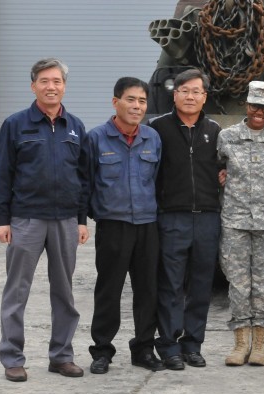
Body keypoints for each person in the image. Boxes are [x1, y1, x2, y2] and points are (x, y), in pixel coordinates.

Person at [0, 58, 88, 382]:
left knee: (64, 292)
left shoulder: (75, 126)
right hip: (26, 220)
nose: (51, 86)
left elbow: (83, 177)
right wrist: (2, 218)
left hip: (64, 221)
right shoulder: (16, 125)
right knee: (16, 292)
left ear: (64, 86)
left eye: (57, 81)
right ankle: (12, 358)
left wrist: (82, 219)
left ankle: (61, 356)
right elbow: (1, 174)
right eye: (44, 81)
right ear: (33, 85)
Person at [85, 77, 164, 374]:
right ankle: (102, 351)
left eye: (142, 101)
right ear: (115, 101)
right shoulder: (96, 138)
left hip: (147, 224)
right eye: (131, 99)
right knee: (109, 290)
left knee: (147, 290)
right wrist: (97, 215)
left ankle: (144, 349)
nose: (137, 106)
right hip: (113, 226)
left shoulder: (152, 138)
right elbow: (86, 182)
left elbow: (157, 180)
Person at [149, 69, 222, 370]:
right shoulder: (157, 129)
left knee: (202, 285)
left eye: (197, 91)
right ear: (175, 93)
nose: (191, 96)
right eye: (185, 90)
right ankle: (168, 346)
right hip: (172, 217)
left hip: (207, 217)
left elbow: (225, 166)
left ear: (205, 96)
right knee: (170, 285)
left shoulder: (216, 130)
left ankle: (193, 344)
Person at [218, 81, 264, 367]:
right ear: (246, 106)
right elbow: (217, 166)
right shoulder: (227, 137)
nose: (260, 112)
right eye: (255, 106)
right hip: (234, 221)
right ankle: (239, 344)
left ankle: (259, 345)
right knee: (238, 285)